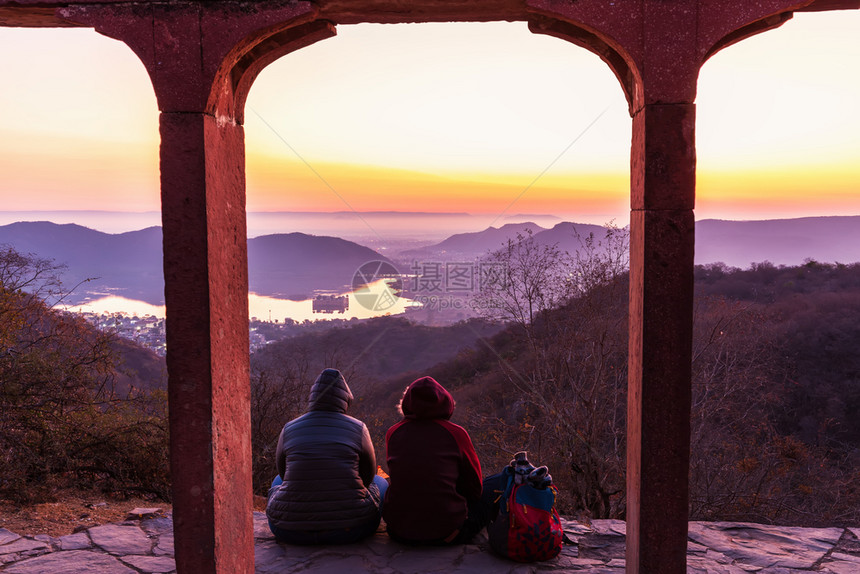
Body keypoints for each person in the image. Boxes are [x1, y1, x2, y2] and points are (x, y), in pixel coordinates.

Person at [266, 368, 388, 544]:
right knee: (381, 481)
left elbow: (284, 474)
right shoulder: (358, 427)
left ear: (313, 397)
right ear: (345, 399)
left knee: (278, 480)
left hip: (288, 529)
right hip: (351, 528)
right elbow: (368, 477)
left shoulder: (289, 428)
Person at [383, 376, 487, 544]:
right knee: (495, 485)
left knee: (380, 483)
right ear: (447, 403)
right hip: (448, 535)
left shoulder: (393, 432)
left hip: (398, 532)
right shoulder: (456, 433)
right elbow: (475, 489)